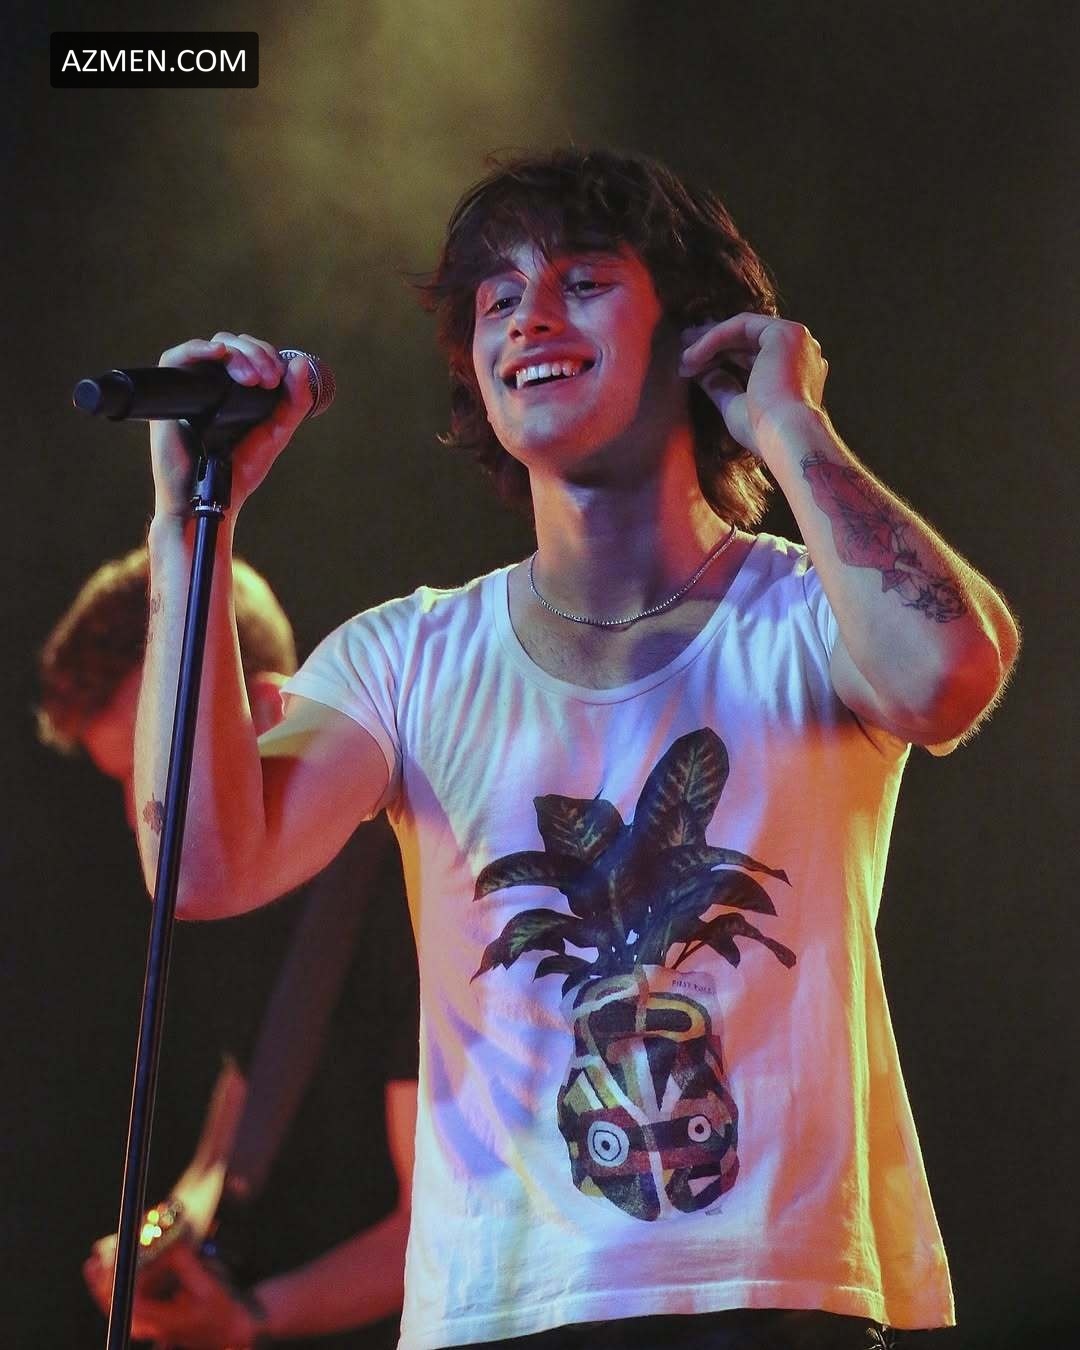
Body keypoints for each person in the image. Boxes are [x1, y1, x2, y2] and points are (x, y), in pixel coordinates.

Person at [129, 148, 1019, 1348]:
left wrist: (788, 424)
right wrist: (191, 528)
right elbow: (201, 868)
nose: (530, 318)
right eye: (498, 298)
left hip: (777, 1299)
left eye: (582, 282)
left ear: (697, 334)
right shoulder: (405, 656)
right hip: (502, 1310)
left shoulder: (809, 616)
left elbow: (949, 676)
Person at [38, 547, 419, 1349]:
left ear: (269, 713)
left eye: (155, 764)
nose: (139, 814)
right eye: (126, 778)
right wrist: (157, 1239)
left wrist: (251, 1319)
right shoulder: (242, 913)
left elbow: (443, 1223)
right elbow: (233, 1131)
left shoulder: (399, 895)